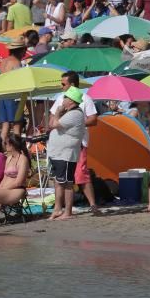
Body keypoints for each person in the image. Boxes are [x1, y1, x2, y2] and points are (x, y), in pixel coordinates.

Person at [47, 86, 87, 220]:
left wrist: (58, 112)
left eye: (65, 97)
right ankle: (58, 208)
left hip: (66, 154)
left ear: (71, 101)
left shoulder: (75, 114)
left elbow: (53, 124)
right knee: (59, 182)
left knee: (67, 183)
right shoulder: (70, 112)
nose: (63, 100)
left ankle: (68, 212)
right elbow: (52, 124)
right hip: (59, 153)